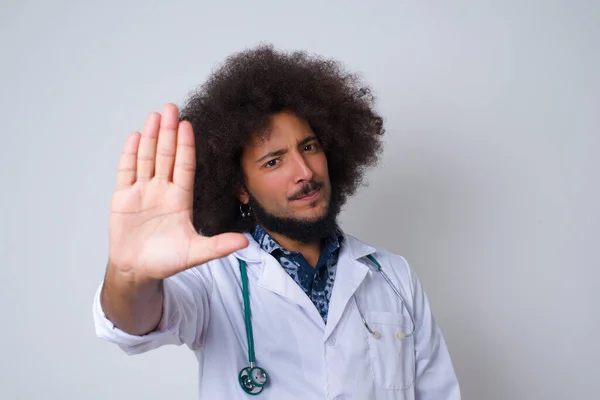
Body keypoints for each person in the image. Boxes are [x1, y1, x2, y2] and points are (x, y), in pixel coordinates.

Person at [92, 44, 461, 400]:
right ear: (239, 188)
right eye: (273, 161)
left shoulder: (392, 275)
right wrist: (130, 276)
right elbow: (133, 324)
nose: (304, 171)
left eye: (309, 147)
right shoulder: (211, 278)